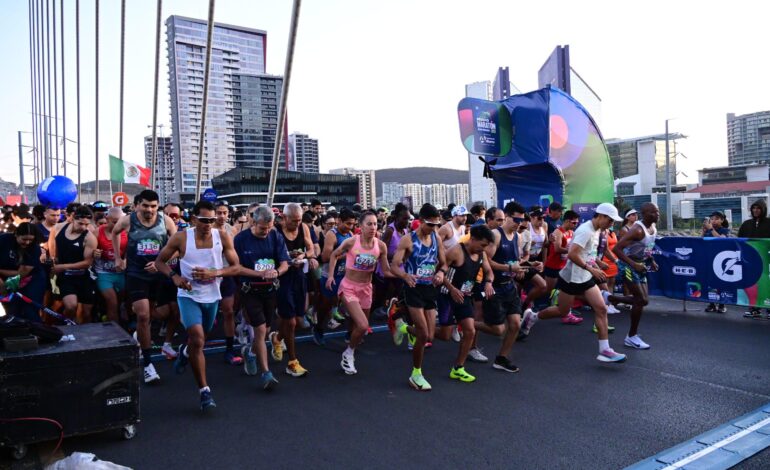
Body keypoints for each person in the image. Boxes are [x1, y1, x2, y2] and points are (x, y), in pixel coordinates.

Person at [156, 201, 241, 411]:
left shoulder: (222, 236)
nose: (208, 224)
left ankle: (185, 352)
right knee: (198, 338)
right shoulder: (181, 238)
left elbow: (236, 266)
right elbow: (160, 262)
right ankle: (204, 392)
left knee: (201, 339)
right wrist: (175, 277)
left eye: (212, 220)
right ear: (193, 219)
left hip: (212, 295)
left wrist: (215, 273)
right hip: (188, 295)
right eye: (204, 220)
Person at [521, 203, 628, 363]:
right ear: (601, 216)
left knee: (601, 309)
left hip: (585, 277)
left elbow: (587, 253)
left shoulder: (597, 230)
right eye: (611, 220)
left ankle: (605, 350)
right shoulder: (585, 231)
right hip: (571, 278)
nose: (612, 224)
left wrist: (597, 263)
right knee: (562, 311)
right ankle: (532, 317)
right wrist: (591, 269)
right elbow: (572, 254)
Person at [113, 190, 178, 384]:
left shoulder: (166, 221)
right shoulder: (127, 220)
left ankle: (143, 335)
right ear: (137, 205)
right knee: (143, 316)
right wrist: (118, 257)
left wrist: (161, 262)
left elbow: (177, 248)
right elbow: (115, 233)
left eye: (153, 206)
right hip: (136, 273)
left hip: (160, 274)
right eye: (145, 205)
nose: (149, 210)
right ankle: (148, 365)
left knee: (167, 313)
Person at [327, 211, 393, 375]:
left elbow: (386, 270)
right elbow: (334, 255)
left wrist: (405, 276)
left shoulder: (381, 246)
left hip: (366, 289)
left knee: (361, 328)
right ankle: (348, 353)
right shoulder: (351, 242)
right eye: (369, 224)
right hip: (349, 286)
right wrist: (330, 276)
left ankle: (345, 314)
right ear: (360, 226)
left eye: (375, 224)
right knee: (364, 325)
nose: (373, 227)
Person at [390, 203, 446, 391]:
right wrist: (405, 275)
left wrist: (441, 274)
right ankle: (416, 374)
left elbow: (444, 264)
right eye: (430, 224)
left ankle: (402, 326)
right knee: (422, 334)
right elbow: (394, 266)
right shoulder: (408, 240)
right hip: (413, 289)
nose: (433, 228)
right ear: (420, 221)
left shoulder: (436, 238)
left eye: (436, 224)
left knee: (429, 336)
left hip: (429, 288)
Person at [234, 205, 288, 390]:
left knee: (265, 329)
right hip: (250, 291)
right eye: (263, 228)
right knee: (260, 331)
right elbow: (236, 268)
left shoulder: (275, 235)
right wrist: (260, 275)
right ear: (253, 222)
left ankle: (250, 352)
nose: (266, 231)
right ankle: (266, 373)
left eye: (269, 227)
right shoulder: (241, 239)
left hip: (270, 290)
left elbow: (284, 263)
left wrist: (277, 272)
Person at [431, 224, 495, 382]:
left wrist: (488, 282)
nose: (483, 249)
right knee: (443, 335)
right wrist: (452, 289)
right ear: (472, 239)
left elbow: (489, 271)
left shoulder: (482, 254)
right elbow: (439, 270)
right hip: (447, 296)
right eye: (482, 245)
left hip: (464, 297)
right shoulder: (455, 251)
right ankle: (406, 328)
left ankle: (458, 368)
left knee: (470, 331)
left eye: (486, 246)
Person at [476, 202, 530, 373]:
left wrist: (524, 267)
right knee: (498, 329)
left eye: (521, 220)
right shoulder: (495, 235)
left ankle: (502, 358)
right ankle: (467, 323)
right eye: (515, 219)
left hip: (509, 286)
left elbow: (514, 261)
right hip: (493, 287)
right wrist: (509, 268)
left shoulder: (518, 237)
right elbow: (487, 262)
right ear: (506, 217)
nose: (518, 223)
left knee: (515, 324)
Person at [273, 203, 318, 377]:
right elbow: (272, 254)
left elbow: (311, 248)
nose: (297, 224)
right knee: (290, 321)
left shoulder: (303, 227)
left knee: (298, 319)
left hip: (299, 276)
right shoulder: (275, 231)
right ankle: (292, 362)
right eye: (294, 221)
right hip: (283, 278)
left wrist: (303, 256)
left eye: (299, 220)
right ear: (284, 218)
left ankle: (277, 338)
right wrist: (285, 259)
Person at [612, 202, 659, 348]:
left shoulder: (653, 227)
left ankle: (609, 297)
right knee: (640, 300)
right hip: (629, 265)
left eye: (658, 212)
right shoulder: (637, 230)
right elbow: (617, 249)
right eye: (653, 212)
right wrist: (634, 265)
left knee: (643, 301)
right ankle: (631, 336)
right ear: (645, 214)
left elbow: (648, 247)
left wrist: (651, 260)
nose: (657, 215)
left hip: (641, 265)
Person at [49, 206, 98, 324]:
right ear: (72, 219)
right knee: (71, 307)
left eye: (86, 224)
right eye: (80, 223)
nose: (83, 227)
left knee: (86, 313)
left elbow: (87, 263)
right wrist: (54, 263)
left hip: (83, 277)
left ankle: (84, 335)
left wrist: (63, 266)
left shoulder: (89, 237)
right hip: (65, 277)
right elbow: (52, 248)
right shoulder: (58, 228)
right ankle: (66, 327)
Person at [315, 208, 356, 345]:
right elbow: (325, 257)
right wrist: (346, 254)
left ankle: (350, 333)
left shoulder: (350, 234)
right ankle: (318, 328)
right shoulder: (332, 235)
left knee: (351, 305)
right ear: (339, 221)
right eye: (348, 224)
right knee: (325, 306)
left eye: (352, 224)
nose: (350, 227)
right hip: (330, 276)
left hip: (345, 276)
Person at [213, 202, 242, 365]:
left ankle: (229, 349)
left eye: (225, 213)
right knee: (206, 317)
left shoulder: (233, 230)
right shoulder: (206, 229)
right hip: (209, 276)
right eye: (219, 212)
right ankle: (191, 348)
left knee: (229, 311)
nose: (222, 216)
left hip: (227, 274)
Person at [541, 210, 582, 324]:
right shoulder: (558, 232)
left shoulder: (571, 233)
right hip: (553, 265)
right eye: (574, 223)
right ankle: (528, 302)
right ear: (568, 221)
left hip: (563, 267)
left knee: (566, 291)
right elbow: (558, 248)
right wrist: (571, 251)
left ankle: (566, 314)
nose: (576, 225)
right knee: (546, 290)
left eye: (577, 223)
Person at [0, 223, 47, 321]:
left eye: (30, 240)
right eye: (24, 239)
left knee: (29, 309)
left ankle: (36, 331)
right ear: (16, 234)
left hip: (31, 278)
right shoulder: (3, 240)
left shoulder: (34, 248)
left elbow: (20, 274)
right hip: (5, 277)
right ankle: (15, 332)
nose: (27, 242)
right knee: (11, 310)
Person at [94, 207, 128, 323]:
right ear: (107, 219)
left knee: (121, 302)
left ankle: (122, 324)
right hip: (104, 273)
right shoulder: (98, 231)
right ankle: (115, 332)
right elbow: (88, 250)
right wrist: (94, 252)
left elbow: (131, 249)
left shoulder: (126, 231)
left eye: (120, 222)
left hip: (121, 273)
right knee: (112, 302)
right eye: (114, 222)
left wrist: (126, 260)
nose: (118, 225)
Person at [738, 200, 770, 318]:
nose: (756, 210)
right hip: (750, 259)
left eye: (758, 208)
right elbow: (739, 240)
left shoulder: (769, 222)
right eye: (754, 208)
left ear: (763, 209)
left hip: (767, 259)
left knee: (767, 284)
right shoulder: (746, 224)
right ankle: (754, 308)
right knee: (752, 283)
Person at [702, 211, 730, 313]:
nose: (714, 221)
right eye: (712, 219)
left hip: (721, 260)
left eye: (716, 219)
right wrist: (704, 231)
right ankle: (712, 304)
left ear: (722, 220)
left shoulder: (724, 230)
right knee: (710, 282)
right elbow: (701, 241)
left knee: (721, 282)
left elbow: (721, 240)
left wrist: (711, 229)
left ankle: (722, 304)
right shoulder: (709, 230)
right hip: (709, 258)